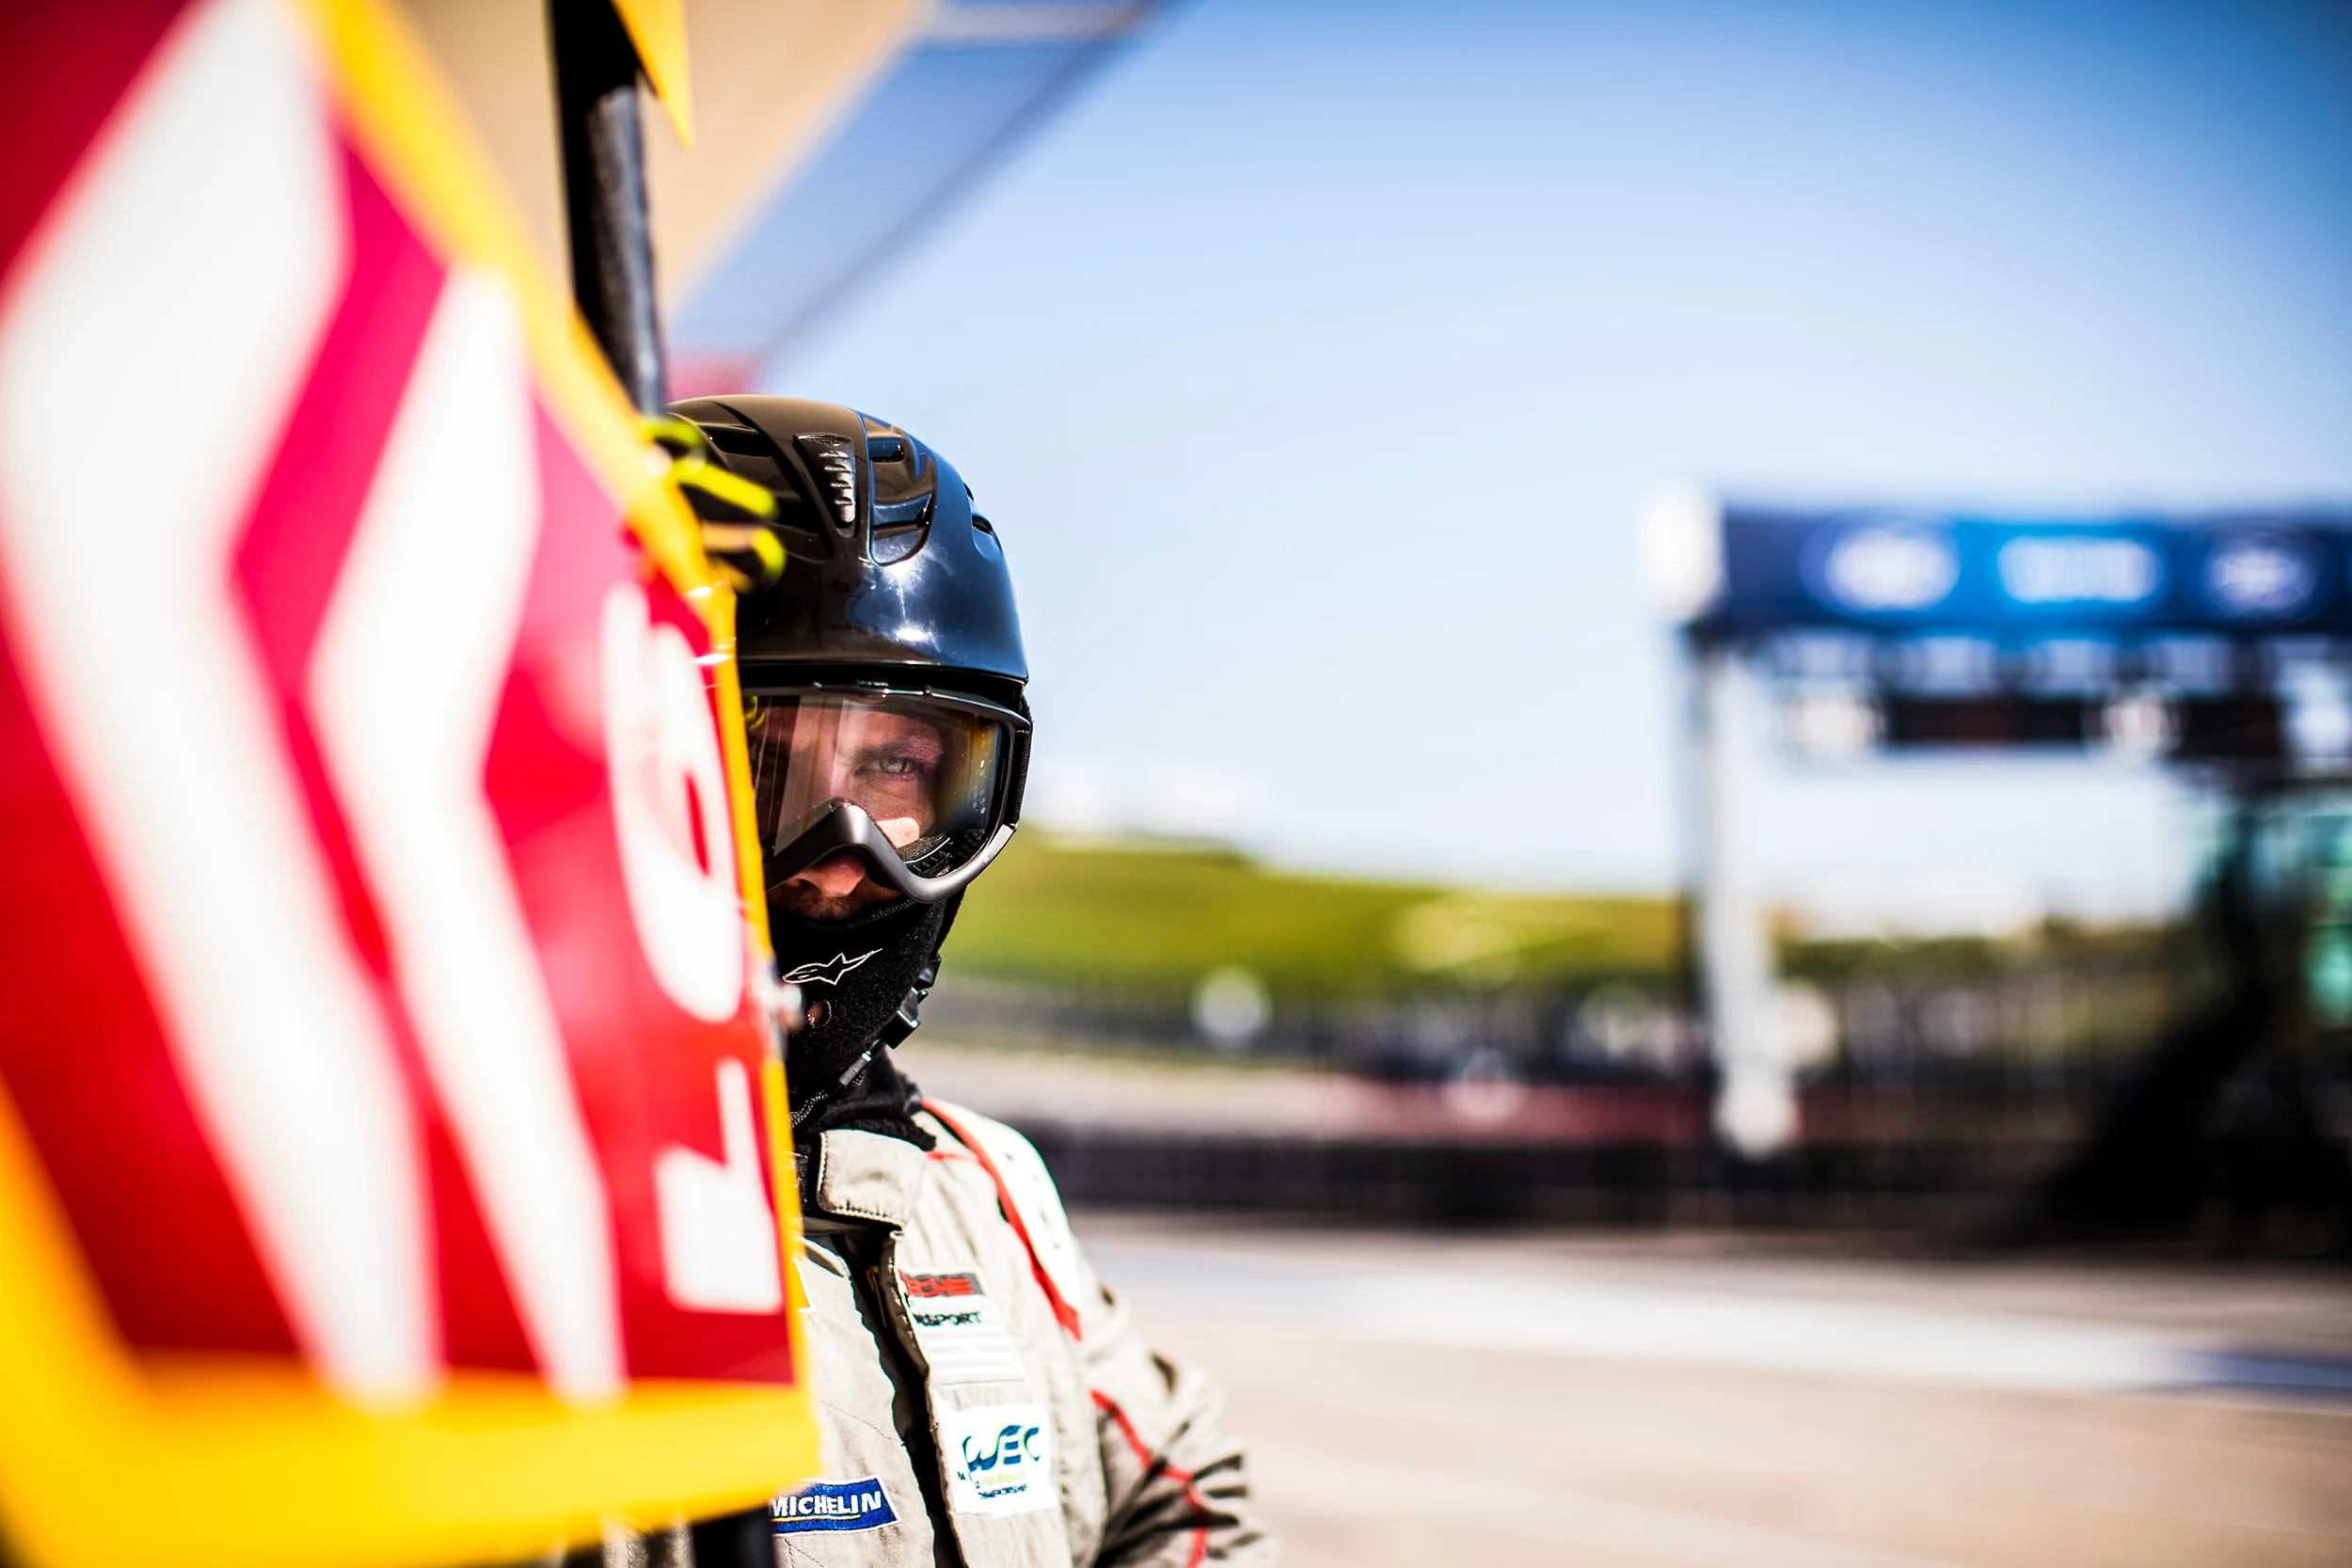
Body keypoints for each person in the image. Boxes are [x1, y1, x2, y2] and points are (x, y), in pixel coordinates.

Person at [668, 397, 1278, 1568]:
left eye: (896, 765)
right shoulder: (500, 1242)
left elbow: (1182, 1493)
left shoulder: (981, 1188)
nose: (843, 860)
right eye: (760, 762)